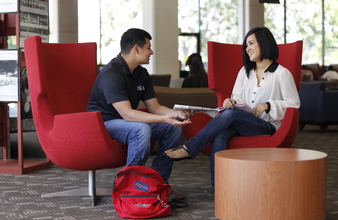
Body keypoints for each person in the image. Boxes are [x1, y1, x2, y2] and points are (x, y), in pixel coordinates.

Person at [164, 27, 300, 189]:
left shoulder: (281, 73)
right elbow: (238, 99)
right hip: (242, 122)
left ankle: (190, 147)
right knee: (220, 135)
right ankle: (219, 188)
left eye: (251, 44)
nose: (247, 48)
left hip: (266, 126)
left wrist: (269, 105)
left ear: (264, 44)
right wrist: (231, 102)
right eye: (246, 45)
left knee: (230, 115)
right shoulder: (244, 71)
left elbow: (294, 104)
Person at [86, 28, 194, 196]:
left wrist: (176, 114)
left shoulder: (142, 73)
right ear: (136, 49)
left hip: (125, 122)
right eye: (148, 47)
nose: (151, 52)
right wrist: (165, 118)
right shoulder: (111, 73)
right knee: (140, 128)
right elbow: (128, 114)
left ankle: (158, 181)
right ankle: (128, 185)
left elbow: (155, 107)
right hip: (103, 124)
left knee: (173, 127)